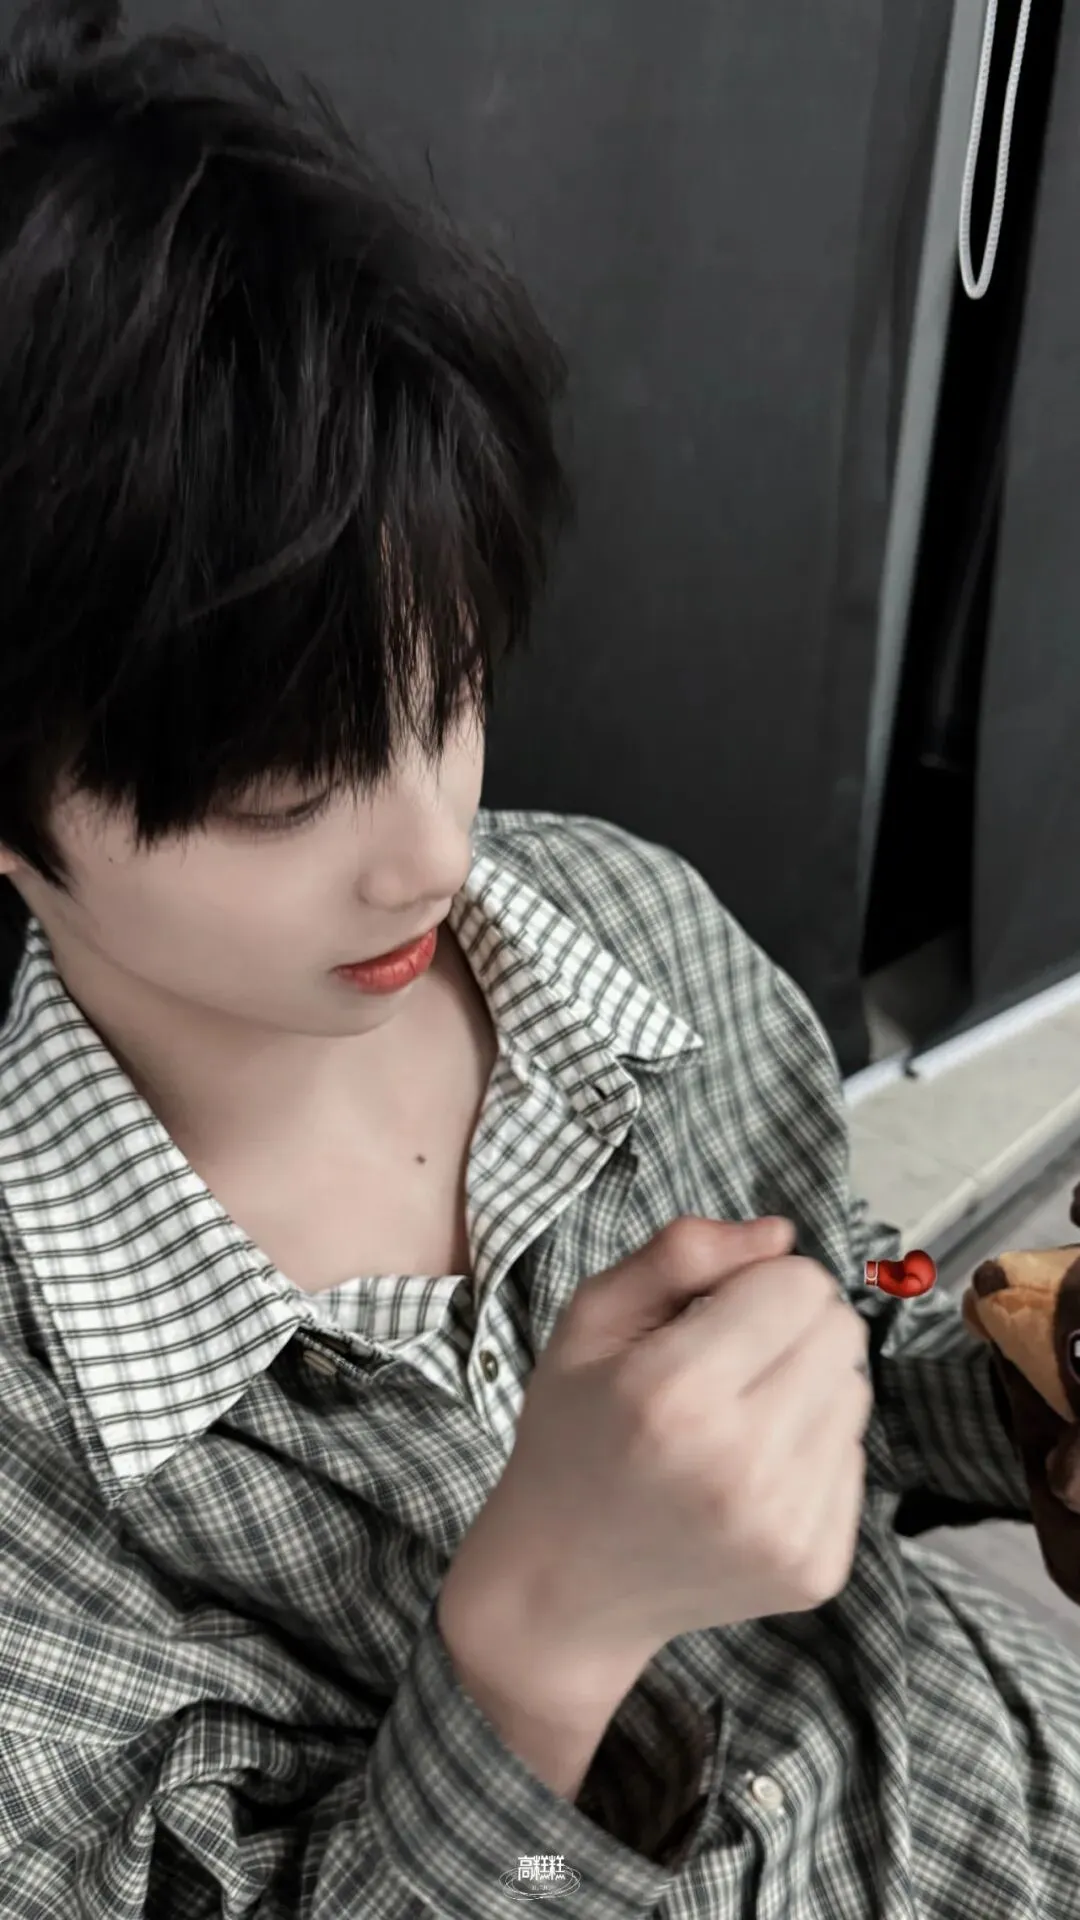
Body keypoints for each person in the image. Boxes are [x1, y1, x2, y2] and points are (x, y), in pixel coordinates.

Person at [0, 4, 1076, 1916]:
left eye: (453, 696)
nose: (433, 845)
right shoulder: (36, 1446)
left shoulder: (623, 927)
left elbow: (844, 1312)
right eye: (281, 794)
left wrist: (1016, 1382)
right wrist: (541, 1636)